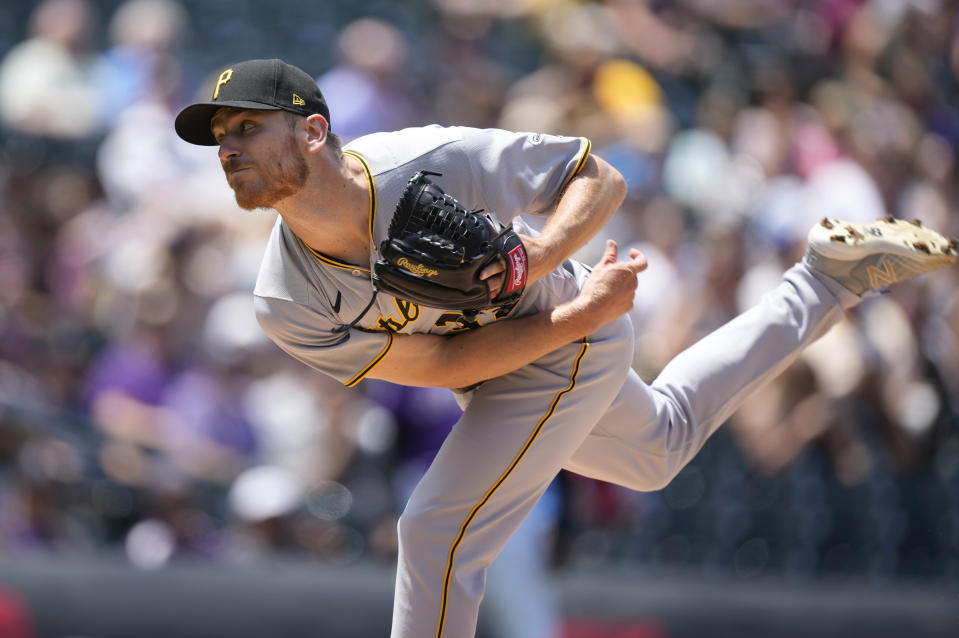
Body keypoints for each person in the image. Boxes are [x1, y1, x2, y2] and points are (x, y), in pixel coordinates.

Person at [173, 58, 957, 638]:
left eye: (246, 128)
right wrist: (577, 319)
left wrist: (538, 263)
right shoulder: (282, 297)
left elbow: (598, 178)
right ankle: (826, 279)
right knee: (658, 448)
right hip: (532, 348)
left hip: (558, 323)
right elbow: (440, 366)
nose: (228, 149)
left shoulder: (421, 160)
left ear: (313, 131)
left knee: (433, 532)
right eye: (219, 138)